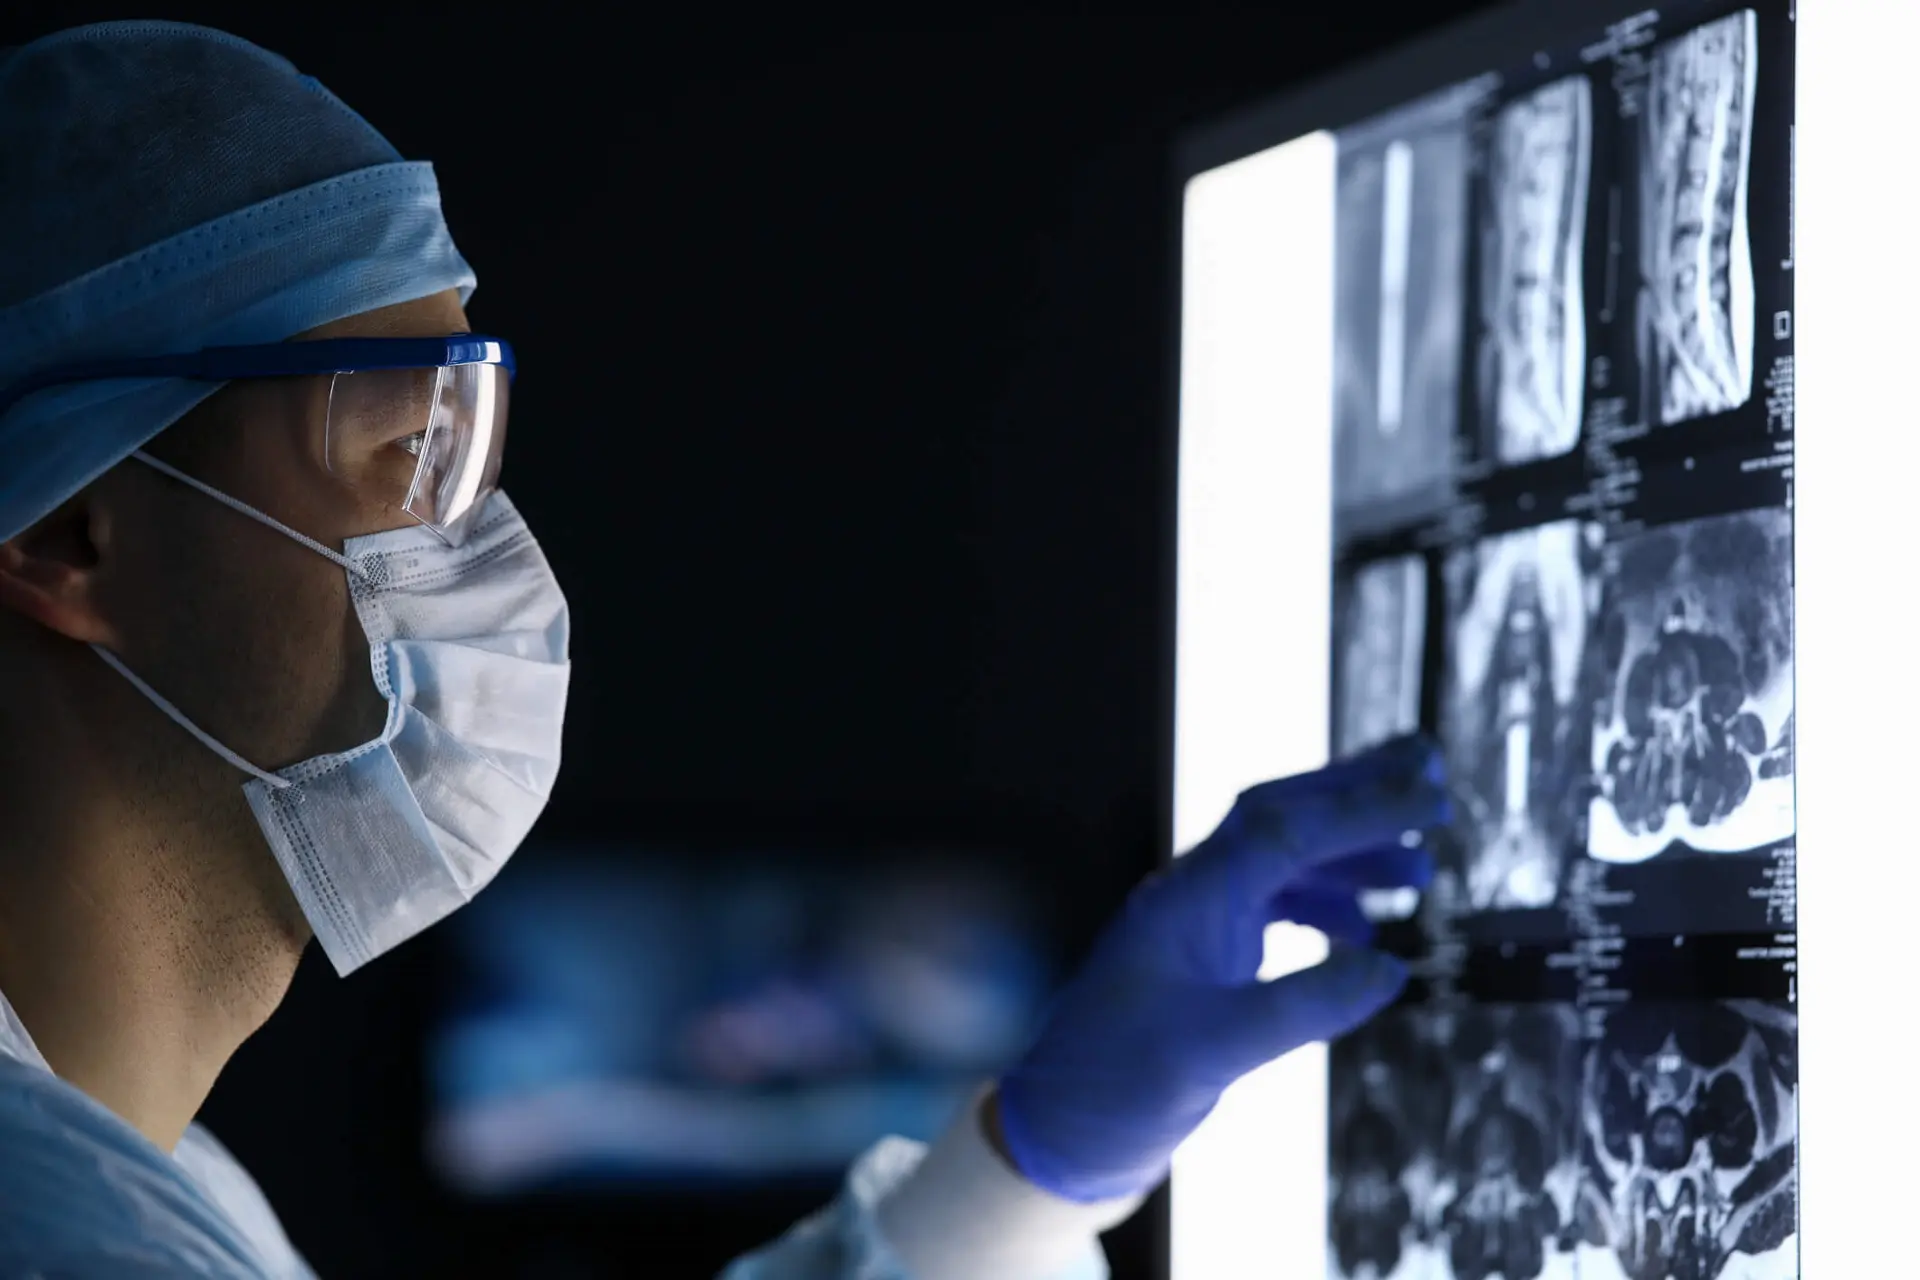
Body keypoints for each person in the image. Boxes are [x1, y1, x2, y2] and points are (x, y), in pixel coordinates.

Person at [0, 22, 1443, 1280]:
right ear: (71, 536)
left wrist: (1024, 1164)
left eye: (475, 448)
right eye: (405, 453)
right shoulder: (68, 1238)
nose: (486, 553)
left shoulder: (158, 1180)